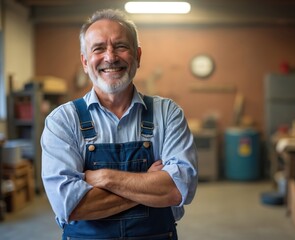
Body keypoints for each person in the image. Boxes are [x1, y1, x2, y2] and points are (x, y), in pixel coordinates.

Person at [41, 8, 198, 240]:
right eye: (98, 48)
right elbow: (71, 206)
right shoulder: (62, 121)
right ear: (85, 62)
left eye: (121, 46)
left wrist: (104, 177)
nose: (110, 57)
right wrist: (148, 183)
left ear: (138, 56)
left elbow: (177, 189)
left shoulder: (167, 114)